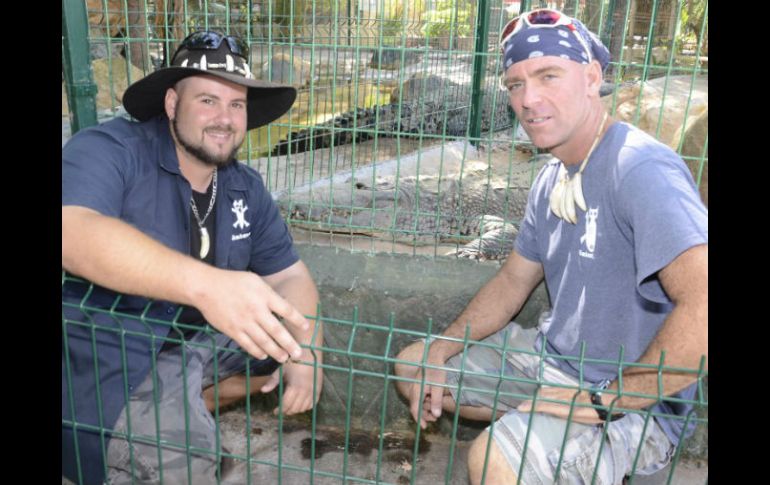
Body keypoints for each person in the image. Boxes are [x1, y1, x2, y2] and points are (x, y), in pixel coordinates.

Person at [394, 9, 707, 485]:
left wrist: (606, 399)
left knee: (493, 459)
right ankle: (542, 439)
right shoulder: (551, 176)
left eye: (547, 76)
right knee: (414, 365)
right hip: (552, 360)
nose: (528, 99)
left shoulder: (639, 168)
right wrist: (441, 348)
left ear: (591, 77)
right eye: (515, 83)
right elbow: (513, 280)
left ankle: (548, 448)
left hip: (634, 402)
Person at [62, 31, 323, 484]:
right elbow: (71, 229)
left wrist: (307, 356)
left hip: (192, 344)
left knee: (286, 328)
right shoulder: (110, 149)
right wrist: (207, 285)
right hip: (117, 356)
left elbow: (290, 275)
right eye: (207, 100)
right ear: (170, 104)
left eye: (236, 104)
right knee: (190, 466)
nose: (224, 119)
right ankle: (150, 430)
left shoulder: (243, 185)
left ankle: (186, 403)